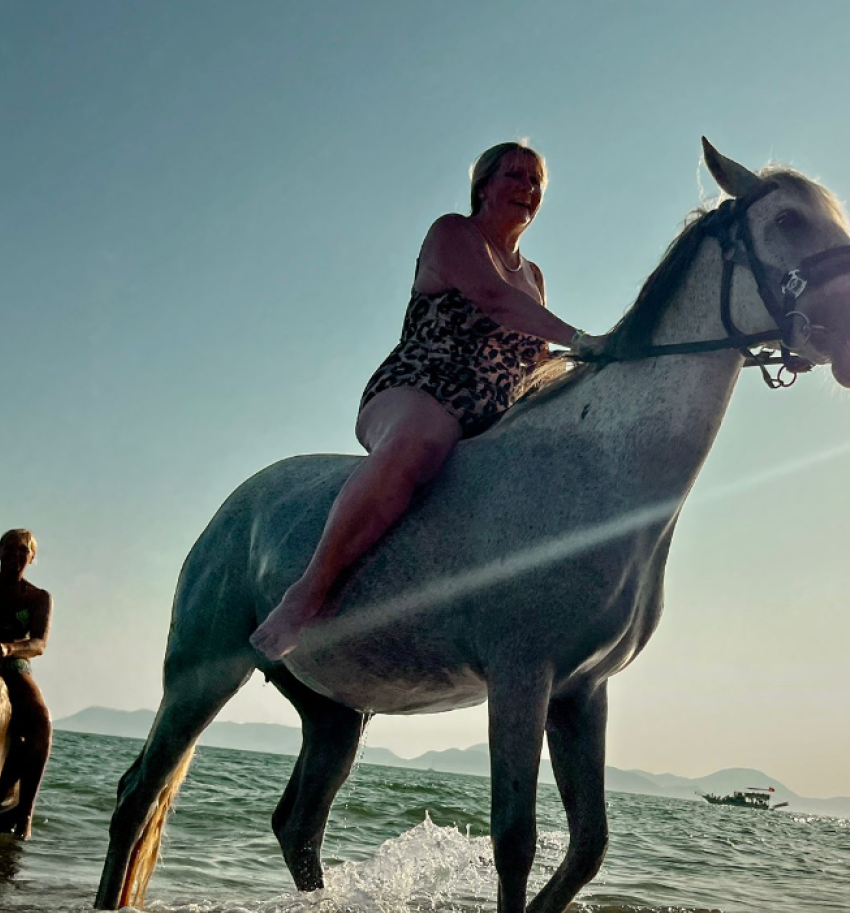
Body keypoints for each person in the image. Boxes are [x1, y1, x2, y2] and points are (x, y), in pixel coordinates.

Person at [251, 142, 605, 661]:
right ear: (483, 184)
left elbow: (537, 358)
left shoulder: (534, 276)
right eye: (515, 175)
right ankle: (305, 594)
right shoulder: (453, 233)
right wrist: (585, 339)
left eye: (536, 183)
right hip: (420, 387)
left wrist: (601, 365)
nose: (527, 189)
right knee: (422, 440)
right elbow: (494, 300)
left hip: (493, 413)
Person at [0, 527, 53, 839]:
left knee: (41, 722)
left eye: (22, 550)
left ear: (32, 558)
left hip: (14, 664)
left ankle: (25, 811)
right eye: (8, 549)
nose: (14, 555)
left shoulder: (39, 598)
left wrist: (9, 648)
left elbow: (39, 643)